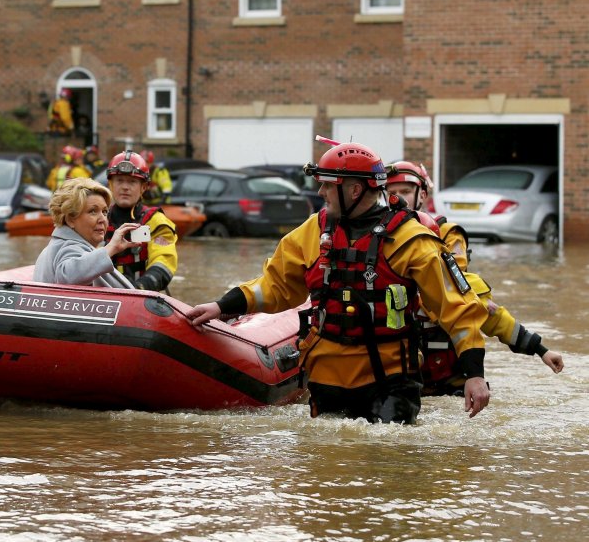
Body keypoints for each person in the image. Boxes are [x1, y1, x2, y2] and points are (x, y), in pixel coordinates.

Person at [186, 140, 492, 424]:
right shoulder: (312, 231)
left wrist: (474, 374)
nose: (320, 192)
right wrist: (221, 306)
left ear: (355, 190)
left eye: (327, 185)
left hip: (389, 382)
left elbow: (458, 308)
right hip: (326, 378)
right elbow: (275, 286)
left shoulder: (412, 240)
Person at [385, 160, 564, 395]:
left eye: (405, 191)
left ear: (422, 194)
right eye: (392, 193)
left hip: (450, 374)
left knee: (475, 298)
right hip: (403, 373)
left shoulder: (447, 233)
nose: (399, 198)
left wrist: (541, 349)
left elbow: (461, 293)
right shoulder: (380, 237)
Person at [33, 177, 142, 288]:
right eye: (93, 211)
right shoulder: (68, 247)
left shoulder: (55, 247)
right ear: (70, 219)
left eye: (104, 212)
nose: (102, 219)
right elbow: (67, 276)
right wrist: (111, 248)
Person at [103, 150, 178, 292]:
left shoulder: (156, 221)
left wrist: (139, 288)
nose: (125, 187)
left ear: (143, 187)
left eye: (132, 182)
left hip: (142, 298)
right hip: (104, 298)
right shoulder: (98, 219)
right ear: (110, 185)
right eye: (119, 181)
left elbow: (164, 260)